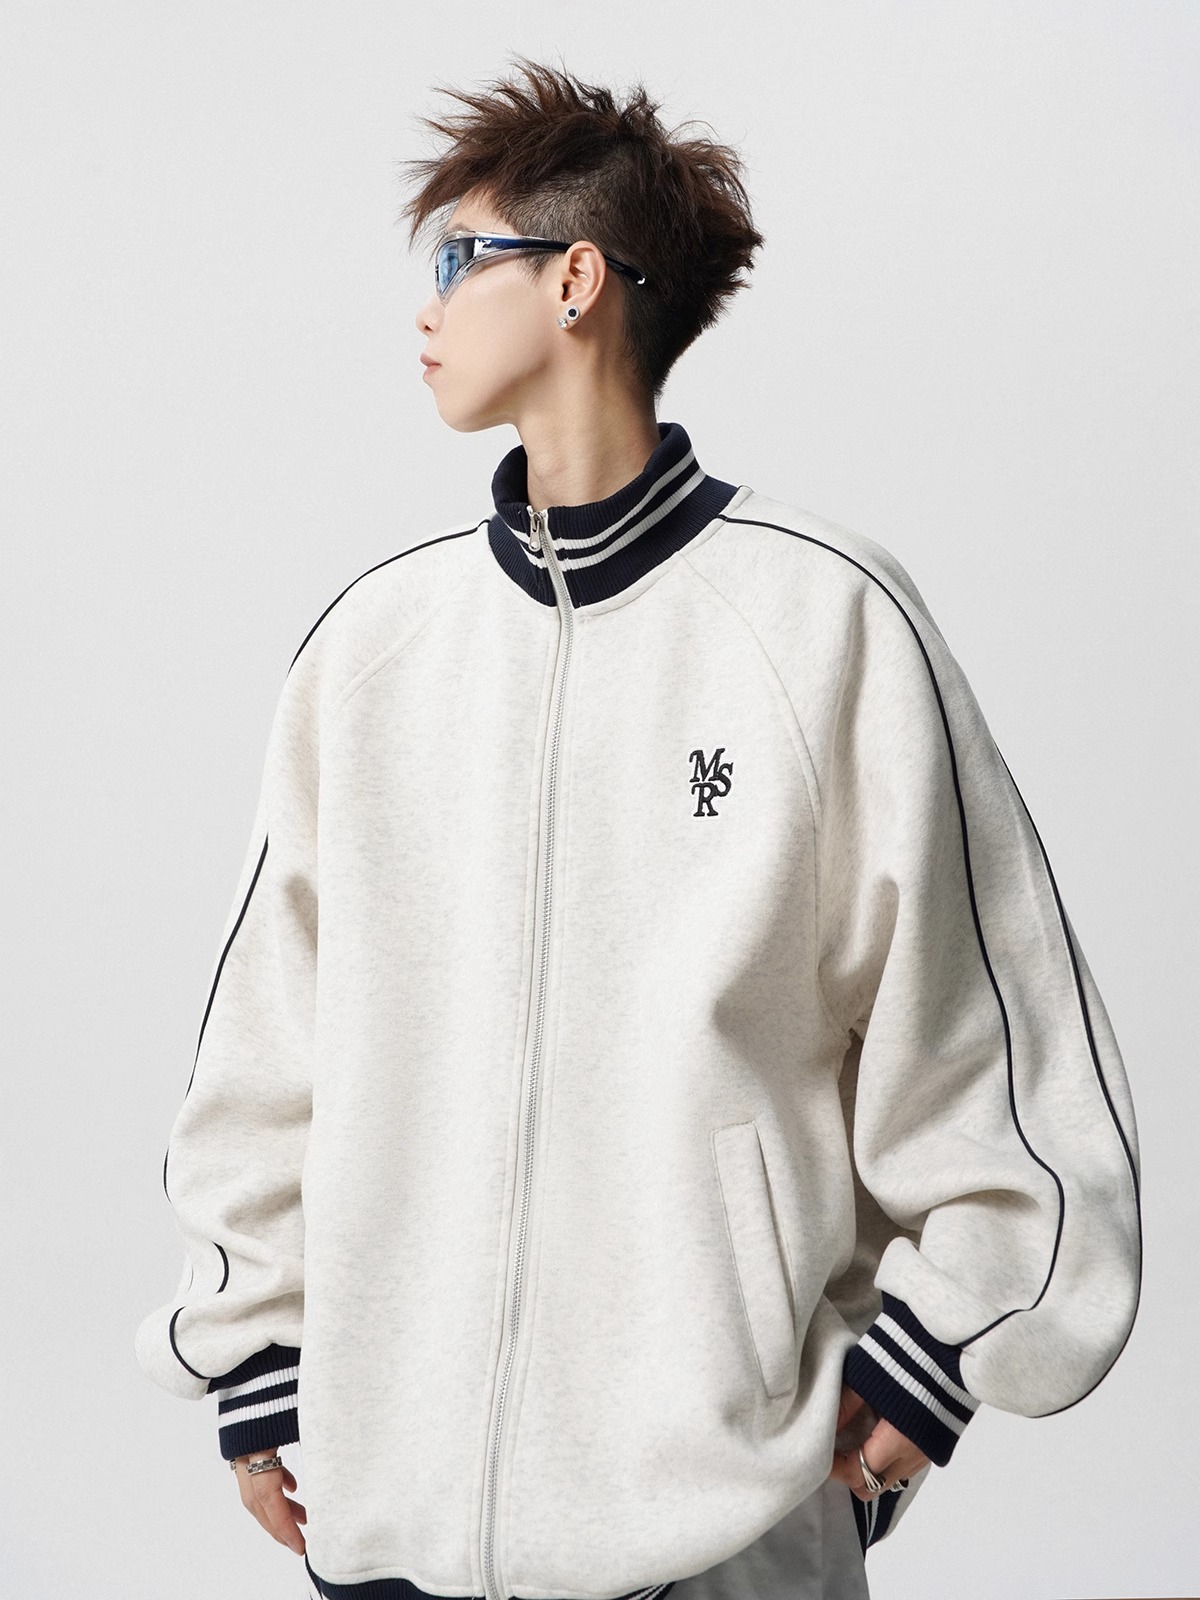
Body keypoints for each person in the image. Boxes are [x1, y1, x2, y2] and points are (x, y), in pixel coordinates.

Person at [133, 56, 1143, 1600]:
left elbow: (990, 1033)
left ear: (576, 280)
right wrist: (252, 1346)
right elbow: (267, 1051)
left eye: (457, 260)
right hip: (396, 1513)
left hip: (730, 1519)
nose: (424, 310)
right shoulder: (376, 649)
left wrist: (954, 1345)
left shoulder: (825, 622)